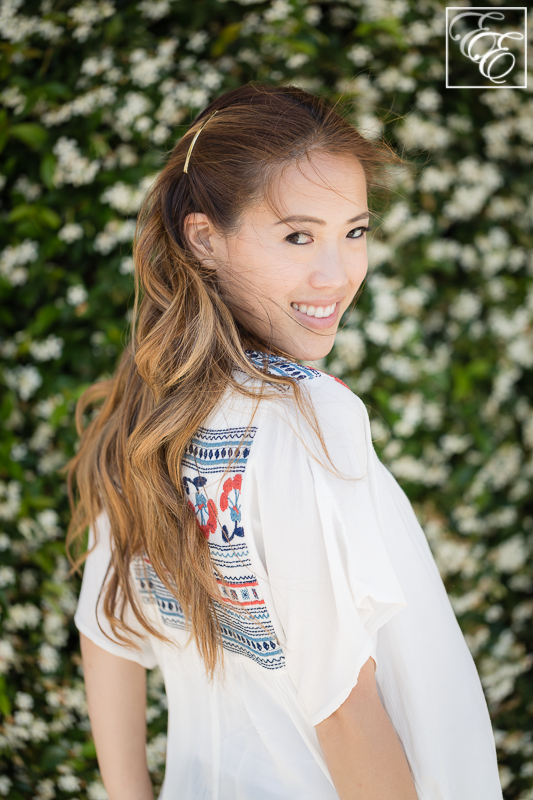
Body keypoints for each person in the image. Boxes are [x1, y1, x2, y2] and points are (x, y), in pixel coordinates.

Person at [65, 83, 503, 800]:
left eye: (353, 231)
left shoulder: (151, 415)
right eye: (297, 235)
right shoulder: (305, 418)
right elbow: (342, 710)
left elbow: (106, 633)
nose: (336, 275)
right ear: (204, 238)